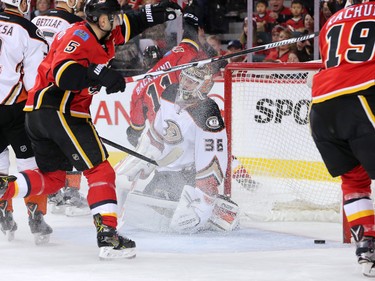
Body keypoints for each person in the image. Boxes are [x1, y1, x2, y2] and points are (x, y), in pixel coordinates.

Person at [0, 0, 182, 259]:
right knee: (100, 170)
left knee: (53, 180)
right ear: (97, 19)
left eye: (115, 17)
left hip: (38, 114)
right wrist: (101, 74)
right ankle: (108, 238)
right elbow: (64, 73)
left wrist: (155, 13)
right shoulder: (79, 34)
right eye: (111, 17)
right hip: (61, 111)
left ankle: (4, 187)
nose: (116, 21)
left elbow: (132, 23)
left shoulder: (104, 33)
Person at [116, 65, 239, 233]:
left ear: (204, 86)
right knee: (146, 212)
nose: (184, 84)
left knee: (171, 220)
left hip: (188, 176)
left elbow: (213, 160)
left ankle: (218, 211)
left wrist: (204, 199)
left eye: (191, 82)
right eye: (184, 79)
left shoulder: (207, 112)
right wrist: (147, 155)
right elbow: (157, 132)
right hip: (165, 173)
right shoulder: (170, 93)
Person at [309, 0, 375, 277]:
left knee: (354, 180)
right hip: (362, 95)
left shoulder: (333, 20)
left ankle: (367, 248)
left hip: (321, 107)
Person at [0, 0, 53, 244]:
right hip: (16, 110)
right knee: (29, 164)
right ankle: (35, 215)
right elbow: (34, 81)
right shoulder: (29, 31)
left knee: (0, 163)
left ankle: (3, 211)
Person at [126, 3, 213, 148]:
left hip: (160, 135)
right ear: (160, 56)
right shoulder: (170, 62)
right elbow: (190, 44)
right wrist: (190, 22)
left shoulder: (138, 88)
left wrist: (133, 134)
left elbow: (136, 127)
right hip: (182, 126)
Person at [32, 0, 89, 217]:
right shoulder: (75, 23)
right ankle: (71, 193)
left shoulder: (36, 19)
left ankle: (51, 190)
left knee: (45, 143)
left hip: (36, 88)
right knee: (74, 138)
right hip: (61, 89)